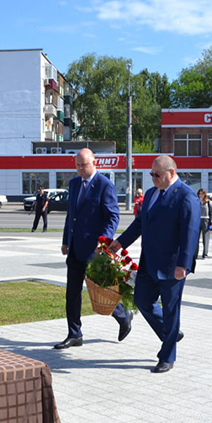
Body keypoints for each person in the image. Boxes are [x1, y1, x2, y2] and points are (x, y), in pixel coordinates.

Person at [109, 155, 199, 374]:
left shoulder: (186, 196)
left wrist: (183, 264)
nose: (153, 179)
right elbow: (139, 224)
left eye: (157, 175)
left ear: (171, 172)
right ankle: (171, 333)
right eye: (151, 174)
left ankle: (167, 356)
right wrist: (119, 243)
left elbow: (191, 233)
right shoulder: (150, 194)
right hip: (149, 262)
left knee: (171, 311)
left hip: (172, 266)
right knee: (141, 300)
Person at [57, 148, 133, 349]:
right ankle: (74, 334)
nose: (81, 169)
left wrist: (104, 243)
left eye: (84, 165)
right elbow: (71, 216)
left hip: (94, 250)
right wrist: (66, 241)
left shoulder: (104, 185)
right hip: (74, 248)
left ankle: (124, 315)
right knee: (72, 293)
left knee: (100, 290)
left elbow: (113, 217)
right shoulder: (74, 184)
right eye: (78, 165)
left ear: (94, 162)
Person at [197, 188, 212, 259]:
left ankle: (205, 254)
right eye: (200, 193)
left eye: (202, 193)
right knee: (195, 238)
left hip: (206, 220)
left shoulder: (208, 202)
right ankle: (195, 254)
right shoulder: (196, 201)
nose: (201, 195)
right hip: (197, 220)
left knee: (205, 238)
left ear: (205, 194)